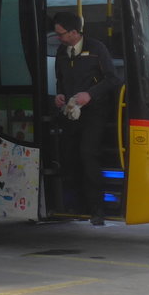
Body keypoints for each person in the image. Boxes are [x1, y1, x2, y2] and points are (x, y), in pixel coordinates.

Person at [52, 11, 121, 225]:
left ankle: (96, 209)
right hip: (71, 112)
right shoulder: (62, 53)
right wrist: (60, 95)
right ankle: (75, 204)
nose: (59, 38)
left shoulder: (96, 49)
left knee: (88, 154)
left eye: (61, 34)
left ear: (74, 33)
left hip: (95, 112)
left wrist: (90, 95)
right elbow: (60, 81)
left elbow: (113, 80)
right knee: (69, 155)